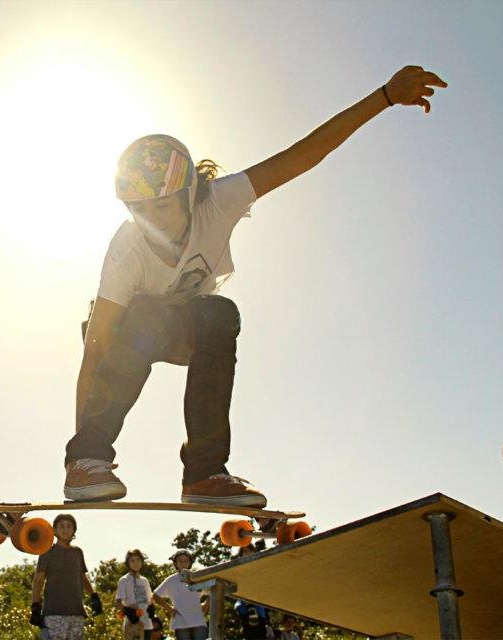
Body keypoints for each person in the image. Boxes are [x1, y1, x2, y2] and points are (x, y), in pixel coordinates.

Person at [63, 66, 447, 504]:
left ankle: (205, 475)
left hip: (189, 337)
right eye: (141, 212)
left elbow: (302, 155)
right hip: (126, 341)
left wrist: (383, 97)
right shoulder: (125, 251)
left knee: (218, 311)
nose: (154, 223)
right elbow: (94, 350)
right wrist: (80, 456)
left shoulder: (221, 200)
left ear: (190, 195)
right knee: (144, 316)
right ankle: (93, 457)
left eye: (165, 208)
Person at [30, 514, 102, 640]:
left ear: (74, 530)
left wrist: (94, 596)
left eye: (69, 526)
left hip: (77, 613)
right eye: (61, 526)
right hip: (54, 613)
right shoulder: (47, 551)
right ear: (55, 530)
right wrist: (35, 606)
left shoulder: (78, 552)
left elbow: (82, 577)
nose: (65, 529)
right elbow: (38, 580)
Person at [153, 549, 208, 640]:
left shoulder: (197, 577)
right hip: (180, 621)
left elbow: (212, 590)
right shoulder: (171, 580)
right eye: (180, 561)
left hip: (198, 620)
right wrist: (169, 608)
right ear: (175, 564)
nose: (183, 563)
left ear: (190, 563)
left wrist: (207, 604)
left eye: (186, 561)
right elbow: (155, 595)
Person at [233, 543, 272, 639]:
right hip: (244, 609)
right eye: (244, 551)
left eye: (249, 550)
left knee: (260, 634)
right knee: (249, 634)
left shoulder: (259, 569)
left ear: (254, 552)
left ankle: (251, 609)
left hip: (259, 610)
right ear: (240, 555)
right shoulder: (238, 570)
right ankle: (250, 608)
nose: (247, 553)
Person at [115, 549, 156, 640]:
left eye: (138, 559)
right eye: (132, 560)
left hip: (147, 624)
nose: (136, 563)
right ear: (128, 563)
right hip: (133, 624)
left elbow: (150, 600)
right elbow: (117, 602)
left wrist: (152, 607)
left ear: (141, 561)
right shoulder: (124, 580)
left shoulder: (145, 580)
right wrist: (127, 611)